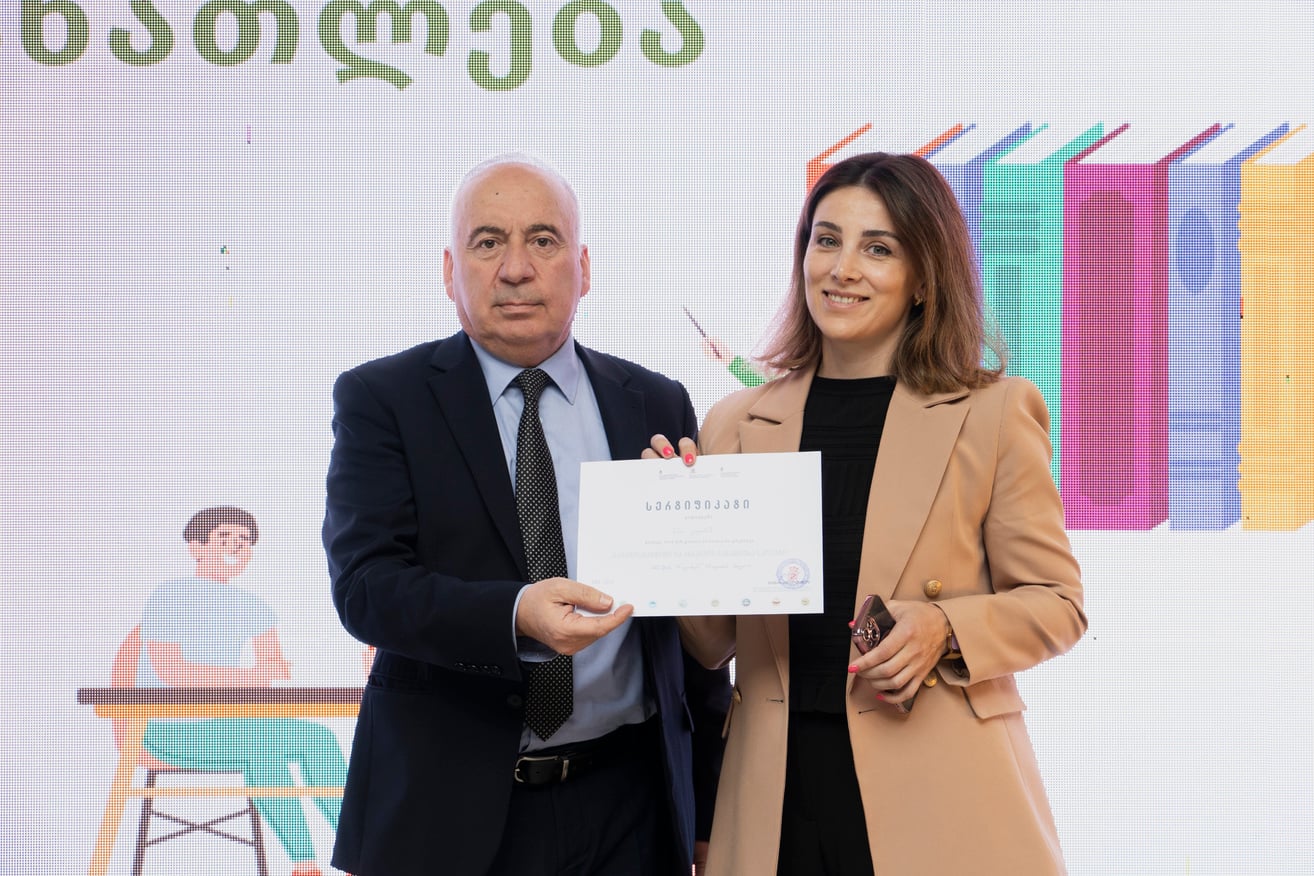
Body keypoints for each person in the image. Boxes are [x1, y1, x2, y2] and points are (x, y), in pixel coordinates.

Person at [653, 152, 1087, 874]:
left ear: (924, 277)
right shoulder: (735, 422)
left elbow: (1059, 605)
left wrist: (944, 627)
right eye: (826, 240)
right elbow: (709, 644)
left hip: (940, 793)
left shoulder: (992, 413)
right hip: (775, 795)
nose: (842, 269)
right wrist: (677, 533)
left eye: (877, 248)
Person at [322, 153, 730, 876]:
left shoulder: (653, 401)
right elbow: (365, 587)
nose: (516, 269)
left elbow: (684, 613)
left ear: (584, 267)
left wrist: (709, 804)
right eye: (488, 243)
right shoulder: (384, 398)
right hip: (448, 815)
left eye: (543, 240)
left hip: (632, 808)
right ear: (450, 270)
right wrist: (514, 615)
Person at [139, 505, 347, 876]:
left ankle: (350, 854)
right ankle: (307, 860)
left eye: (245, 540)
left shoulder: (254, 607)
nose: (237, 546)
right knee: (263, 746)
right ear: (196, 547)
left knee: (318, 739)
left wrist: (260, 674)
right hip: (169, 727)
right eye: (225, 537)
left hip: (229, 723)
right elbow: (172, 672)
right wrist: (247, 676)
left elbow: (267, 673)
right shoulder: (170, 596)